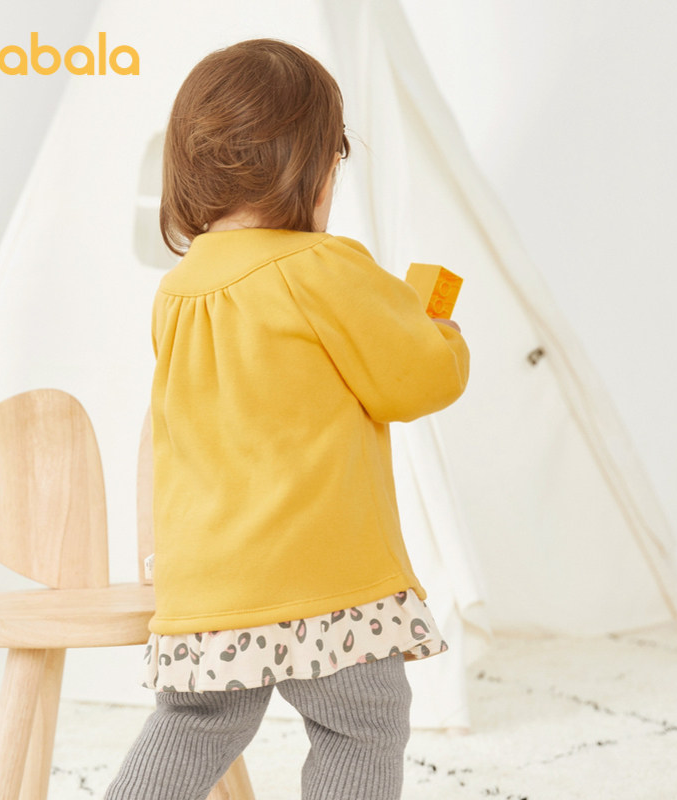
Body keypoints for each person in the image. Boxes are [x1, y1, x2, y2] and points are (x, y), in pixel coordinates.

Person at [105, 38, 469, 800]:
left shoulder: (178, 293)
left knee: (194, 722)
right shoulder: (324, 268)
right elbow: (413, 381)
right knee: (361, 724)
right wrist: (441, 335)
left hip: (207, 584)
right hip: (323, 578)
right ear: (318, 172)